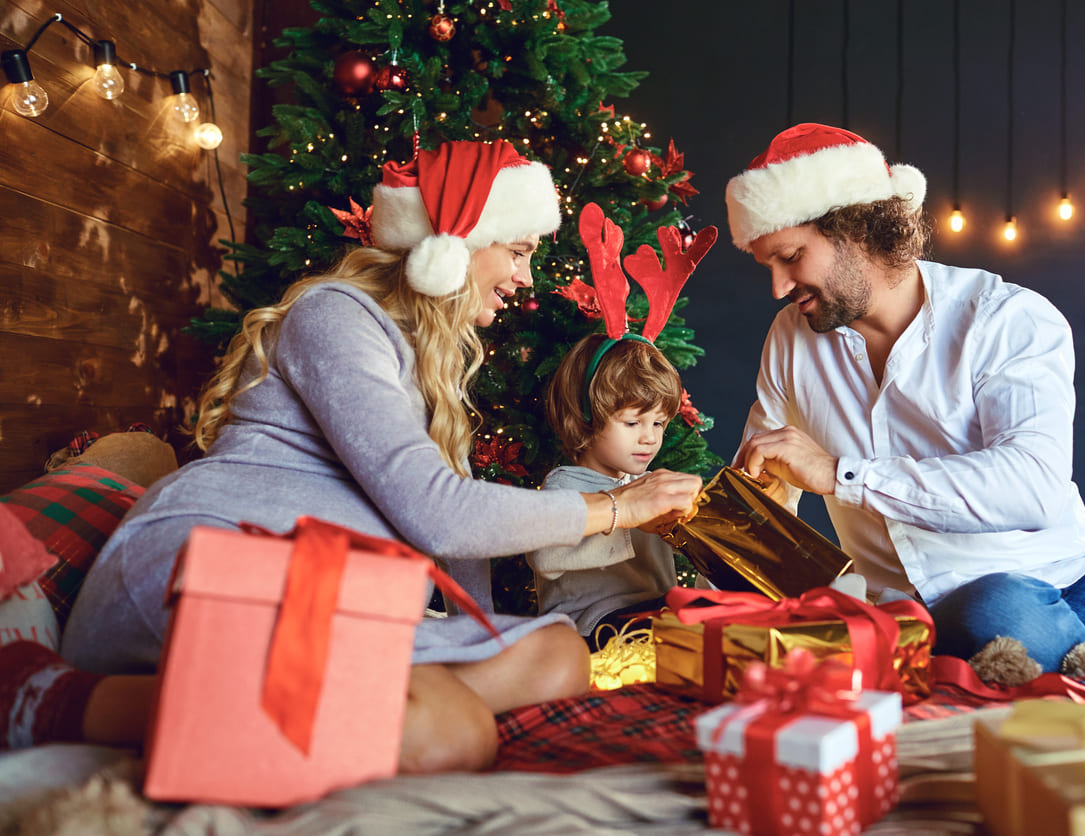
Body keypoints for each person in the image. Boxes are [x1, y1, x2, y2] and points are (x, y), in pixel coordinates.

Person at [49, 139, 701, 770]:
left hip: (322, 593)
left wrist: (482, 633)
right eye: (519, 251)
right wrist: (614, 508)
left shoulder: (433, 369)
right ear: (458, 242)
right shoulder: (335, 315)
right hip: (213, 574)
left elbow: (459, 550)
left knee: (557, 654)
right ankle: (68, 704)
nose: (526, 279)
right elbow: (437, 514)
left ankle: (300, 721)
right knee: (451, 735)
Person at [725, 122, 1085, 684]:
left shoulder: (1006, 317)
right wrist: (699, 522)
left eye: (791, 256)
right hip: (948, 604)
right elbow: (765, 492)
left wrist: (841, 475)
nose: (779, 287)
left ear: (857, 229)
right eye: (769, 267)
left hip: (1081, 570)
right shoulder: (790, 338)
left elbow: (1032, 488)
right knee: (1000, 614)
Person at [527, 332, 684, 650]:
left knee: (716, 615)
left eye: (659, 424)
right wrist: (629, 517)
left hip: (654, 613)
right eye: (632, 423)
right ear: (585, 419)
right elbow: (544, 556)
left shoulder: (649, 484)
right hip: (587, 629)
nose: (650, 438)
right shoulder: (564, 485)